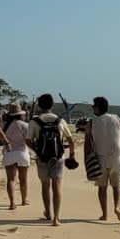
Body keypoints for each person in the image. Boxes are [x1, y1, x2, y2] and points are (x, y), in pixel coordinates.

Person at [28, 94, 77, 226]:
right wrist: (71, 155)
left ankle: (48, 212)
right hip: (58, 158)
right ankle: (56, 217)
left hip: (42, 158)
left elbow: (27, 140)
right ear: (52, 105)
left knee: (45, 186)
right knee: (57, 187)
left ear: (39, 105)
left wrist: (37, 150)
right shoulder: (60, 120)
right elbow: (71, 140)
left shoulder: (35, 121)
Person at [84, 96, 120, 221]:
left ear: (98, 107)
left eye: (93, 106)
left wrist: (86, 158)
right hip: (116, 158)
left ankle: (105, 214)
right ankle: (117, 208)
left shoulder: (91, 122)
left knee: (102, 188)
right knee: (117, 186)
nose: (92, 108)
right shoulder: (116, 119)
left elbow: (88, 142)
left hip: (100, 159)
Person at [0, 102, 34, 210]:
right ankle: (23, 200)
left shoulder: (4, 125)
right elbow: (28, 140)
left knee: (11, 179)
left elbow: (1, 139)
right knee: (23, 179)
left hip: (9, 153)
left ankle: (12, 203)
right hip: (22, 152)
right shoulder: (24, 125)